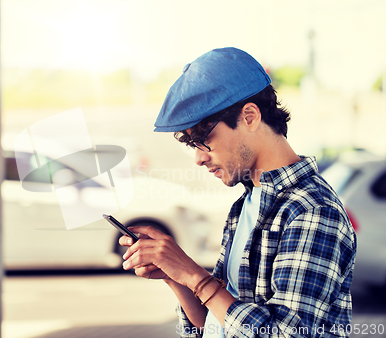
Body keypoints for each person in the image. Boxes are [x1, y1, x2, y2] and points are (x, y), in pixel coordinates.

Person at [119, 48, 356, 338]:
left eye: (203, 140)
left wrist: (196, 277)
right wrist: (176, 276)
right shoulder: (247, 203)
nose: (198, 158)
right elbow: (220, 324)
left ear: (250, 117)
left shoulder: (310, 210)